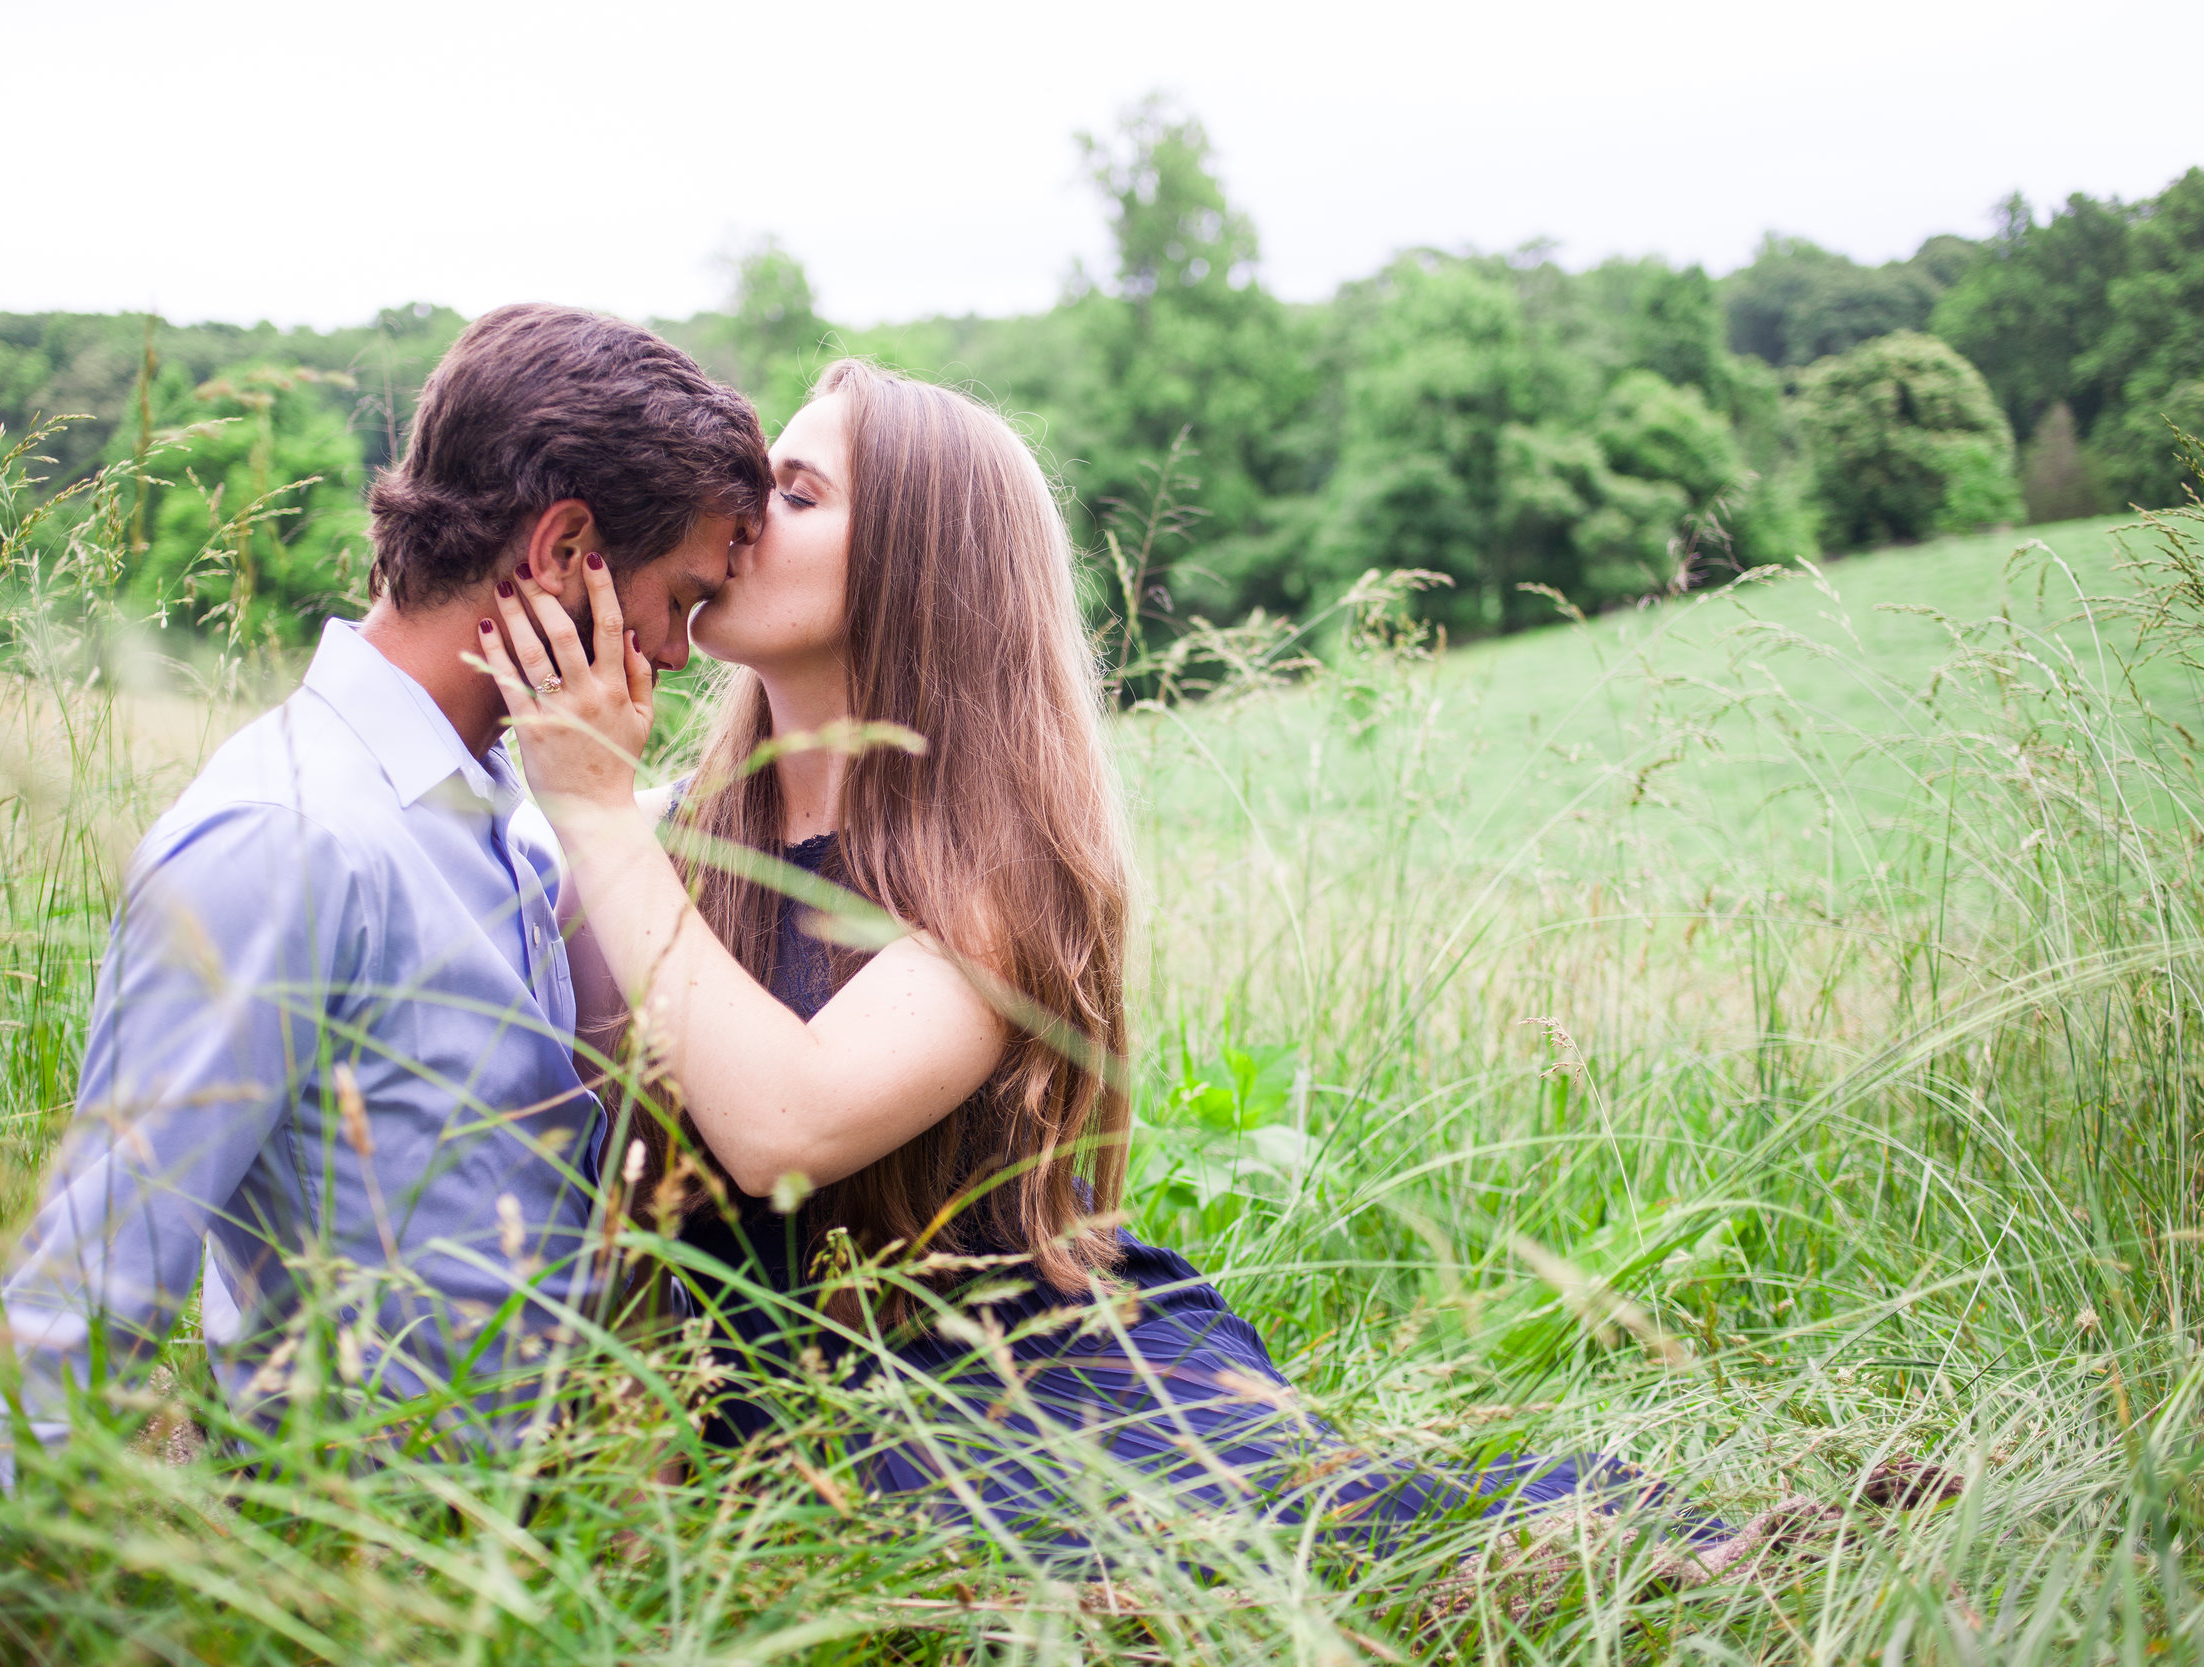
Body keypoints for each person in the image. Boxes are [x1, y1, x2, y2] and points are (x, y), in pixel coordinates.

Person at [477, 359, 1635, 1554]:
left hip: (1030, 1377)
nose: (734, 515)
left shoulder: (996, 871)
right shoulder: (661, 843)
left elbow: (785, 1126)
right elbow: (609, 1205)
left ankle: (1654, 1535)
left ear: (921, 565)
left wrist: (594, 807)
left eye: (798, 493)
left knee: (1306, 1542)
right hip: (790, 1433)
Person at [0, 305, 771, 1481]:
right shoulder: (286, 838)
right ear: (562, 552)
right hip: (358, 1565)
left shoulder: (503, 808)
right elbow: (90, 1285)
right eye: (678, 601)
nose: (681, 653)